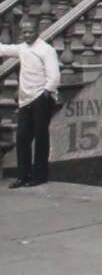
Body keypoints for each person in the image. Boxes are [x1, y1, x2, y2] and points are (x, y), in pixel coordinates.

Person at [0, 21, 61, 188]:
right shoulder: (22, 48)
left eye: (30, 32)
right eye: (24, 32)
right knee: (22, 138)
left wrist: (46, 93)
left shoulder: (46, 50)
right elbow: (4, 49)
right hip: (25, 99)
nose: (27, 35)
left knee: (41, 137)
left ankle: (40, 175)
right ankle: (22, 176)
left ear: (37, 31)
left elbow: (54, 76)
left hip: (41, 98)